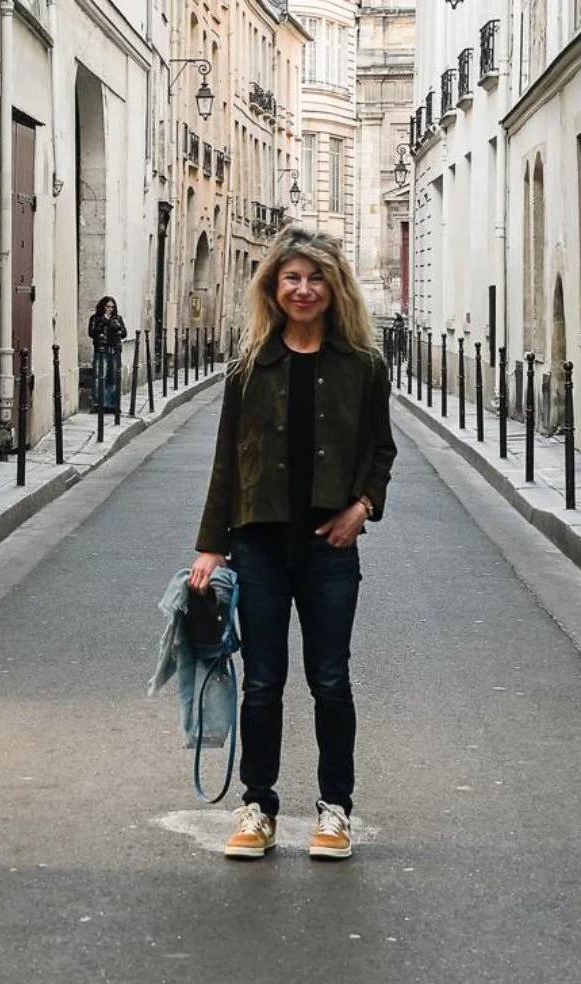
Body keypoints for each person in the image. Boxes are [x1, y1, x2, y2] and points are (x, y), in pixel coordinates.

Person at [189, 227, 396, 862]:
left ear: (334, 287)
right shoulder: (249, 367)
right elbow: (227, 460)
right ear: (274, 288)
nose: (303, 290)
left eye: (315, 278)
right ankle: (259, 807)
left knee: (330, 679)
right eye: (292, 279)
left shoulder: (363, 366)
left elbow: (381, 450)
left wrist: (361, 508)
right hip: (259, 546)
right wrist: (211, 546)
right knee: (262, 682)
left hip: (329, 547)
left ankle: (335, 810)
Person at [88, 297, 123, 412]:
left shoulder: (117, 318)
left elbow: (124, 333)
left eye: (112, 307)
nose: (110, 309)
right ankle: (98, 404)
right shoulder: (95, 318)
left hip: (114, 350)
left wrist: (116, 327)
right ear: (102, 306)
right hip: (101, 350)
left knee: (113, 378)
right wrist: (103, 321)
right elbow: (92, 333)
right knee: (99, 376)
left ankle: (111, 404)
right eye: (108, 306)